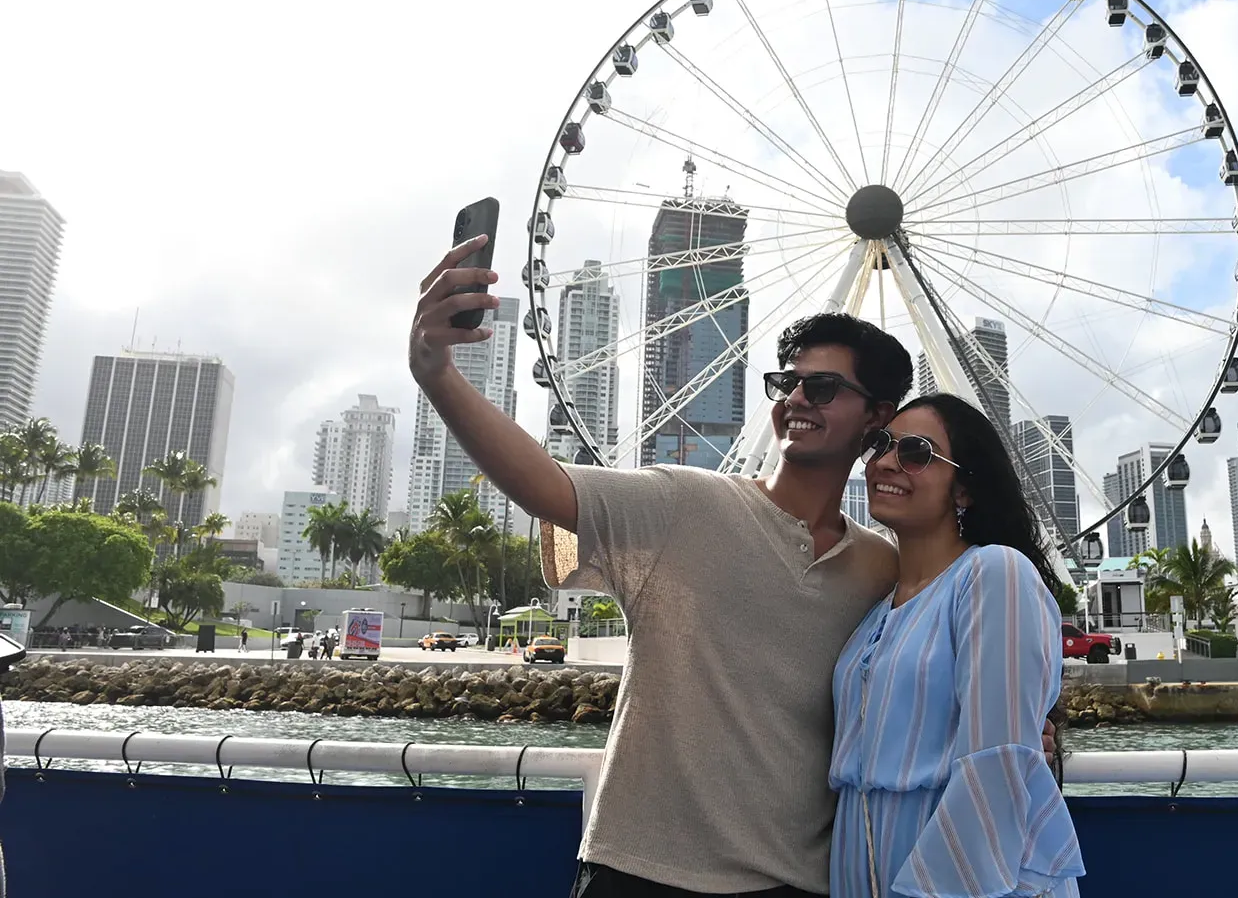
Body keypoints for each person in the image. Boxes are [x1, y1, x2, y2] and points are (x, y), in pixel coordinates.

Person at [408, 236, 1054, 898]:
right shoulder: (685, 503)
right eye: (786, 382)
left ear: (875, 417)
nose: (796, 397)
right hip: (642, 870)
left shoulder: (882, 571)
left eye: (823, 387)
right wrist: (437, 373)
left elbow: (949, 682)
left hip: (797, 882)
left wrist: (1027, 725)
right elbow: (545, 484)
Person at [830, 395, 1085, 898]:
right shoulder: (876, 612)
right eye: (880, 444)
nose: (884, 461)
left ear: (964, 489)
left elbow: (996, 763)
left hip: (963, 878)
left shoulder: (995, 574)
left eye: (916, 452)